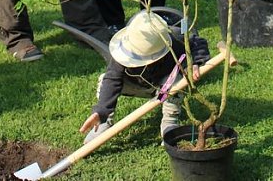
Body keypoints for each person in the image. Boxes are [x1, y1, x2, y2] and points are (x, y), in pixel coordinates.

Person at [79, 10, 210, 141]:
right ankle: (104, 122)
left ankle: (169, 122)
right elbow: (112, 80)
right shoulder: (124, 52)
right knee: (104, 80)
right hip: (134, 85)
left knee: (178, 80)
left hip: (163, 87)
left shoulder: (174, 42)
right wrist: (101, 111)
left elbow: (196, 42)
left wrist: (195, 62)